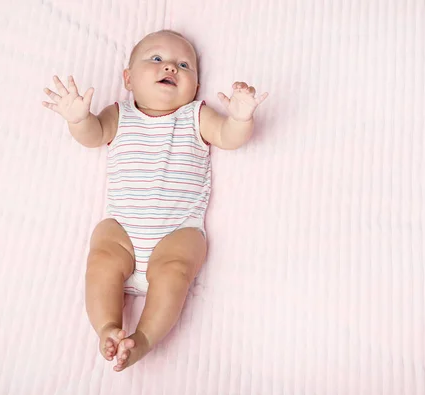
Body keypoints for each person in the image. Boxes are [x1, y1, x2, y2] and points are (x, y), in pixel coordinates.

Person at [42, 29, 268, 372]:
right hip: (123, 232)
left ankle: (143, 339)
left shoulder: (195, 116)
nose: (171, 68)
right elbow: (93, 136)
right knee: (101, 256)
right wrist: (79, 120)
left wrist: (240, 118)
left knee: (175, 270)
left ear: (195, 87)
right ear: (128, 79)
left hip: (177, 232)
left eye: (184, 65)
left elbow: (228, 137)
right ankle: (108, 328)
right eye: (157, 59)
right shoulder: (119, 114)